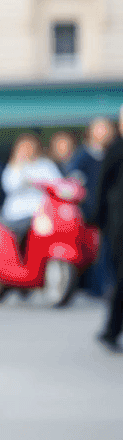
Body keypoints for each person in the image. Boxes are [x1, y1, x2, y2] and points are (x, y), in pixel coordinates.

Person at [68, 117, 117, 299]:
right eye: (100, 129)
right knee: (98, 251)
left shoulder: (112, 153)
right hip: (91, 214)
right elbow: (74, 183)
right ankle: (100, 288)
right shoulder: (83, 156)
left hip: (110, 211)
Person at [92, 105, 123, 352]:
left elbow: (103, 187)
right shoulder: (116, 149)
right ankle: (111, 330)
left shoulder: (115, 149)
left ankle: (111, 330)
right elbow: (103, 188)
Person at [1, 132, 62, 254]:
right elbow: (9, 186)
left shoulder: (46, 165)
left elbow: (58, 186)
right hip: (17, 216)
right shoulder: (14, 167)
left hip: (43, 214)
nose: (27, 150)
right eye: (23, 147)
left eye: (30, 146)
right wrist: (19, 165)